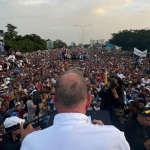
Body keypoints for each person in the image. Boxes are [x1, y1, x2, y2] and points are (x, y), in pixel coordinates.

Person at [21, 69, 130, 150]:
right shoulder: (115, 137)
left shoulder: (31, 142)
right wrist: (106, 133)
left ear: (54, 102)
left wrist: (25, 141)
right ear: (88, 100)